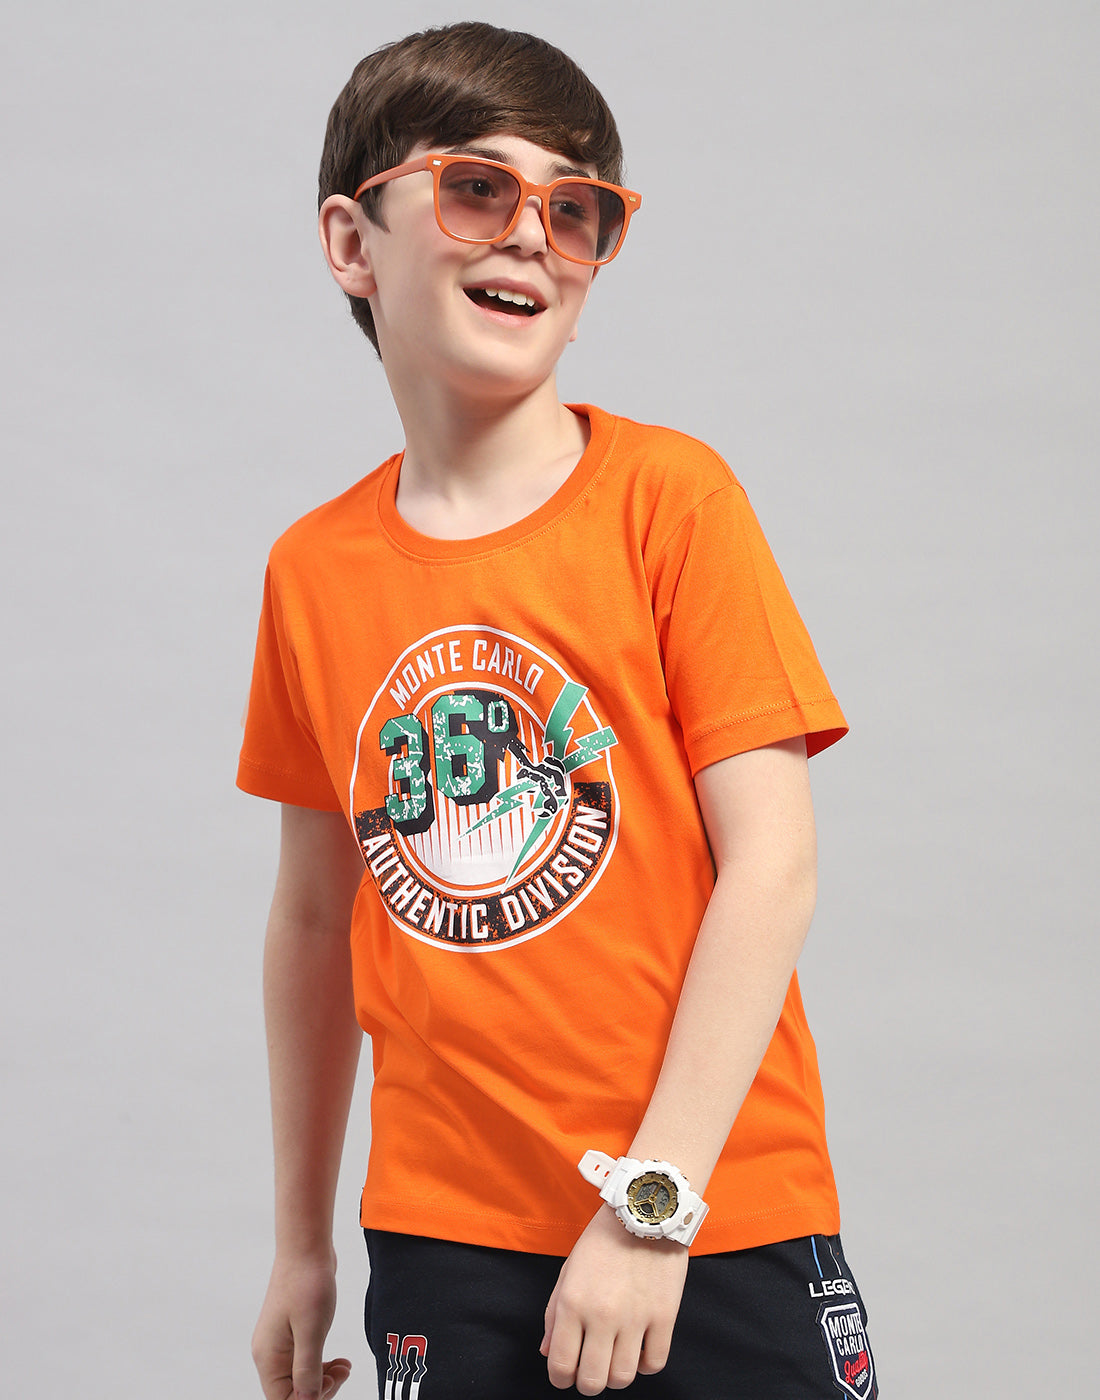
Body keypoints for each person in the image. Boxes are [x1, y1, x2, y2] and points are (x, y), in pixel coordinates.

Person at [238, 20, 877, 1400]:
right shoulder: (312, 572)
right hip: (447, 1238)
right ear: (352, 242)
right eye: (478, 188)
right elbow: (313, 920)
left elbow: (773, 865)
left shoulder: (671, 501)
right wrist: (299, 1243)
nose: (533, 233)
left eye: (574, 208)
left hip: (714, 1212)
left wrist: (654, 1207)